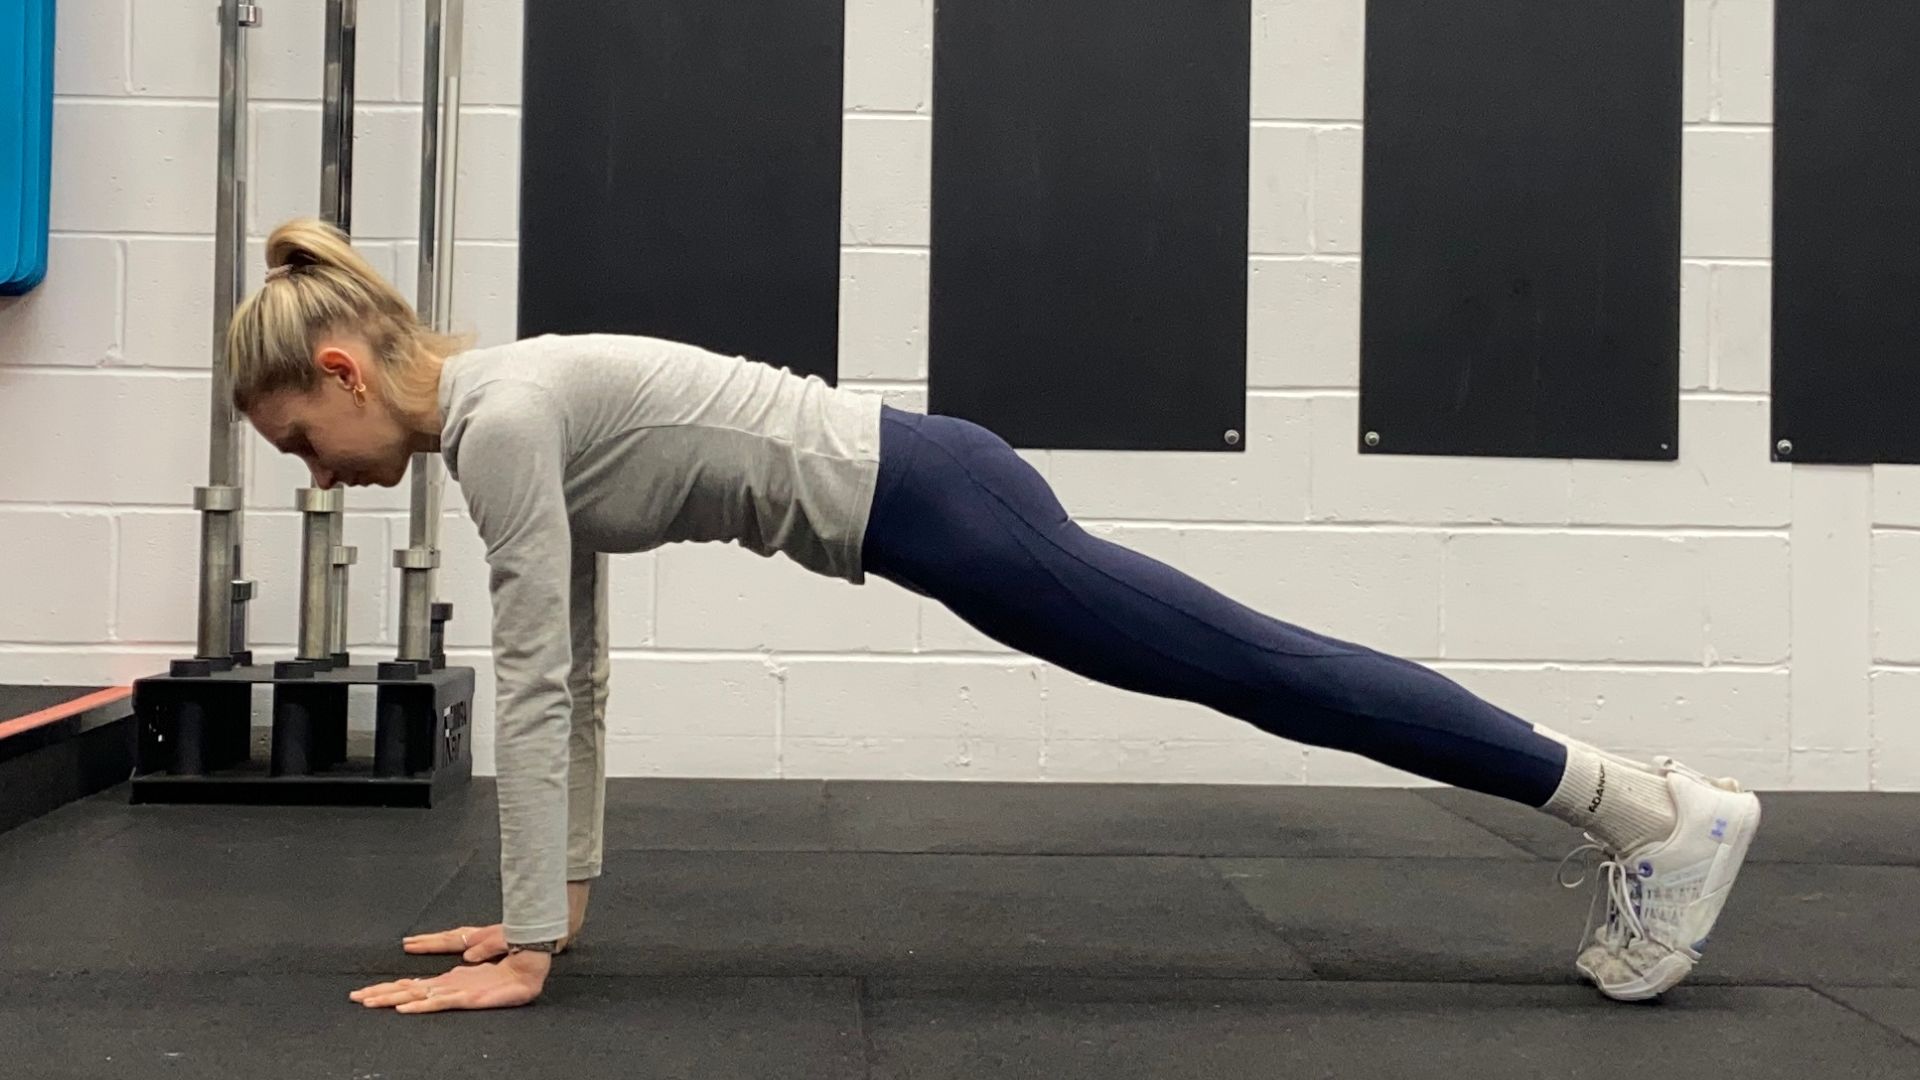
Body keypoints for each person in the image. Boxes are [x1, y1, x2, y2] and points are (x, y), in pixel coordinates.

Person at [223, 217, 1762, 1015]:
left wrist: (534, 950)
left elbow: (544, 681)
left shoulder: (495, 422)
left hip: (937, 503)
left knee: (1264, 671)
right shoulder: (503, 405)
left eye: (302, 442)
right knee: (1257, 671)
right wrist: (551, 903)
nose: (324, 477)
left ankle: (1644, 811)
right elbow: (582, 659)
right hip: (937, 493)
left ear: (343, 376)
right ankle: (1642, 809)